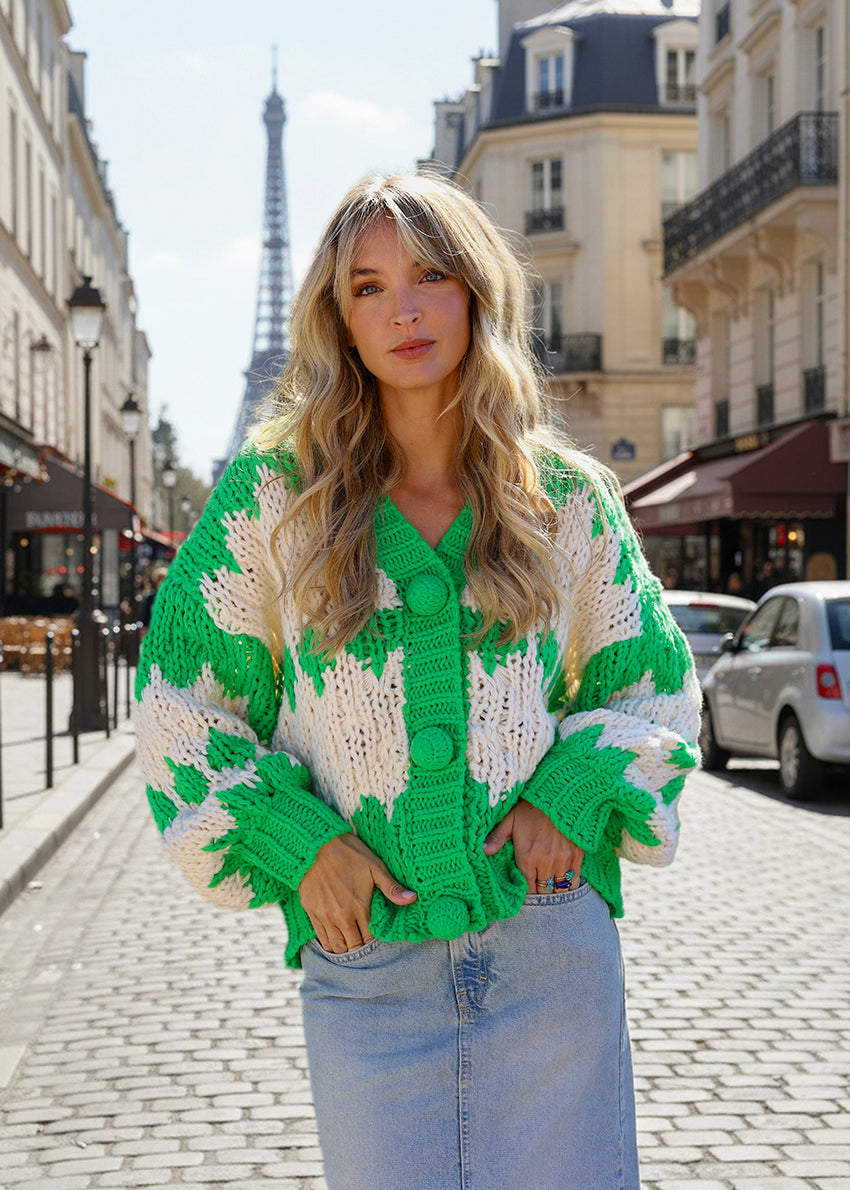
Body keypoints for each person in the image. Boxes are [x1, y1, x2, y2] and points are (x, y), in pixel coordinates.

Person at [134, 173, 701, 1189]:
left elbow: (652, 682)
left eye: (430, 275)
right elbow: (180, 704)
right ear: (338, 319)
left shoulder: (564, 498)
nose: (402, 307)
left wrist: (573, 791)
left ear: (475, 295)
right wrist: (297, 844)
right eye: (368, 286)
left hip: (548, 952)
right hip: (367, 974)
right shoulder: (278, 495)